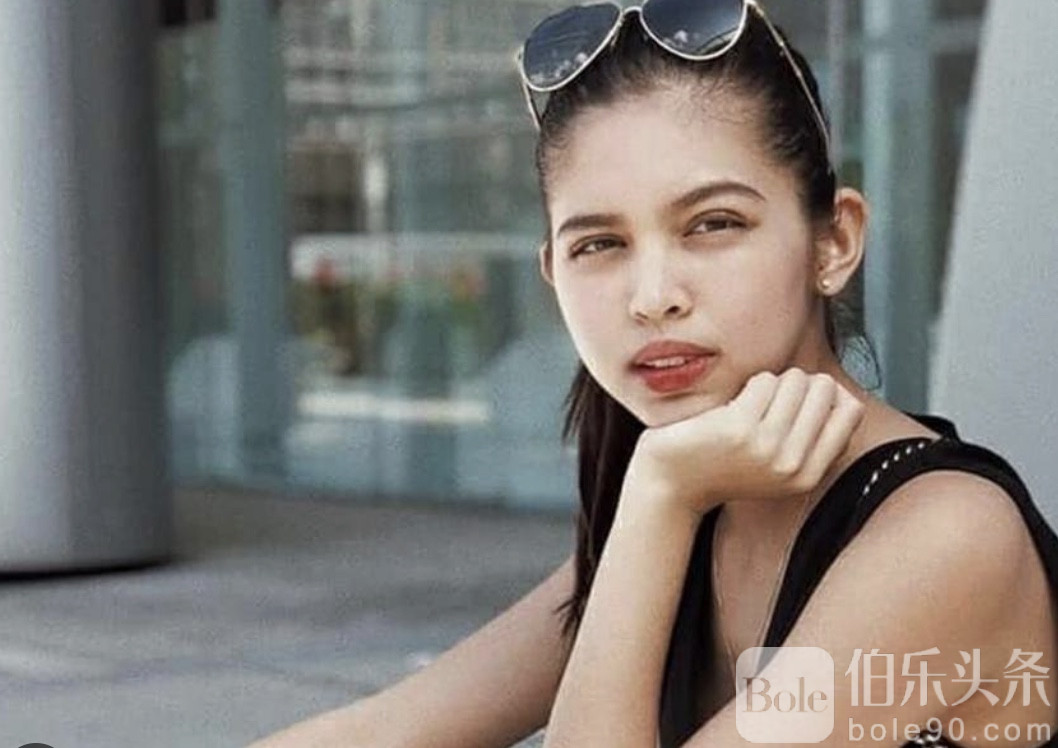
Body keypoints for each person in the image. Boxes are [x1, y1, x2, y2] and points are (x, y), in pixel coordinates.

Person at [251, 1, 1058, 746]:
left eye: (713, 224)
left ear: (834, 240)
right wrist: (662, 507)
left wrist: (660, 496)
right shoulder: (696, 511)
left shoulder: (946, 536)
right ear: (552, 272)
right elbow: (377, 733)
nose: (653, 297)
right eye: (600, 244)